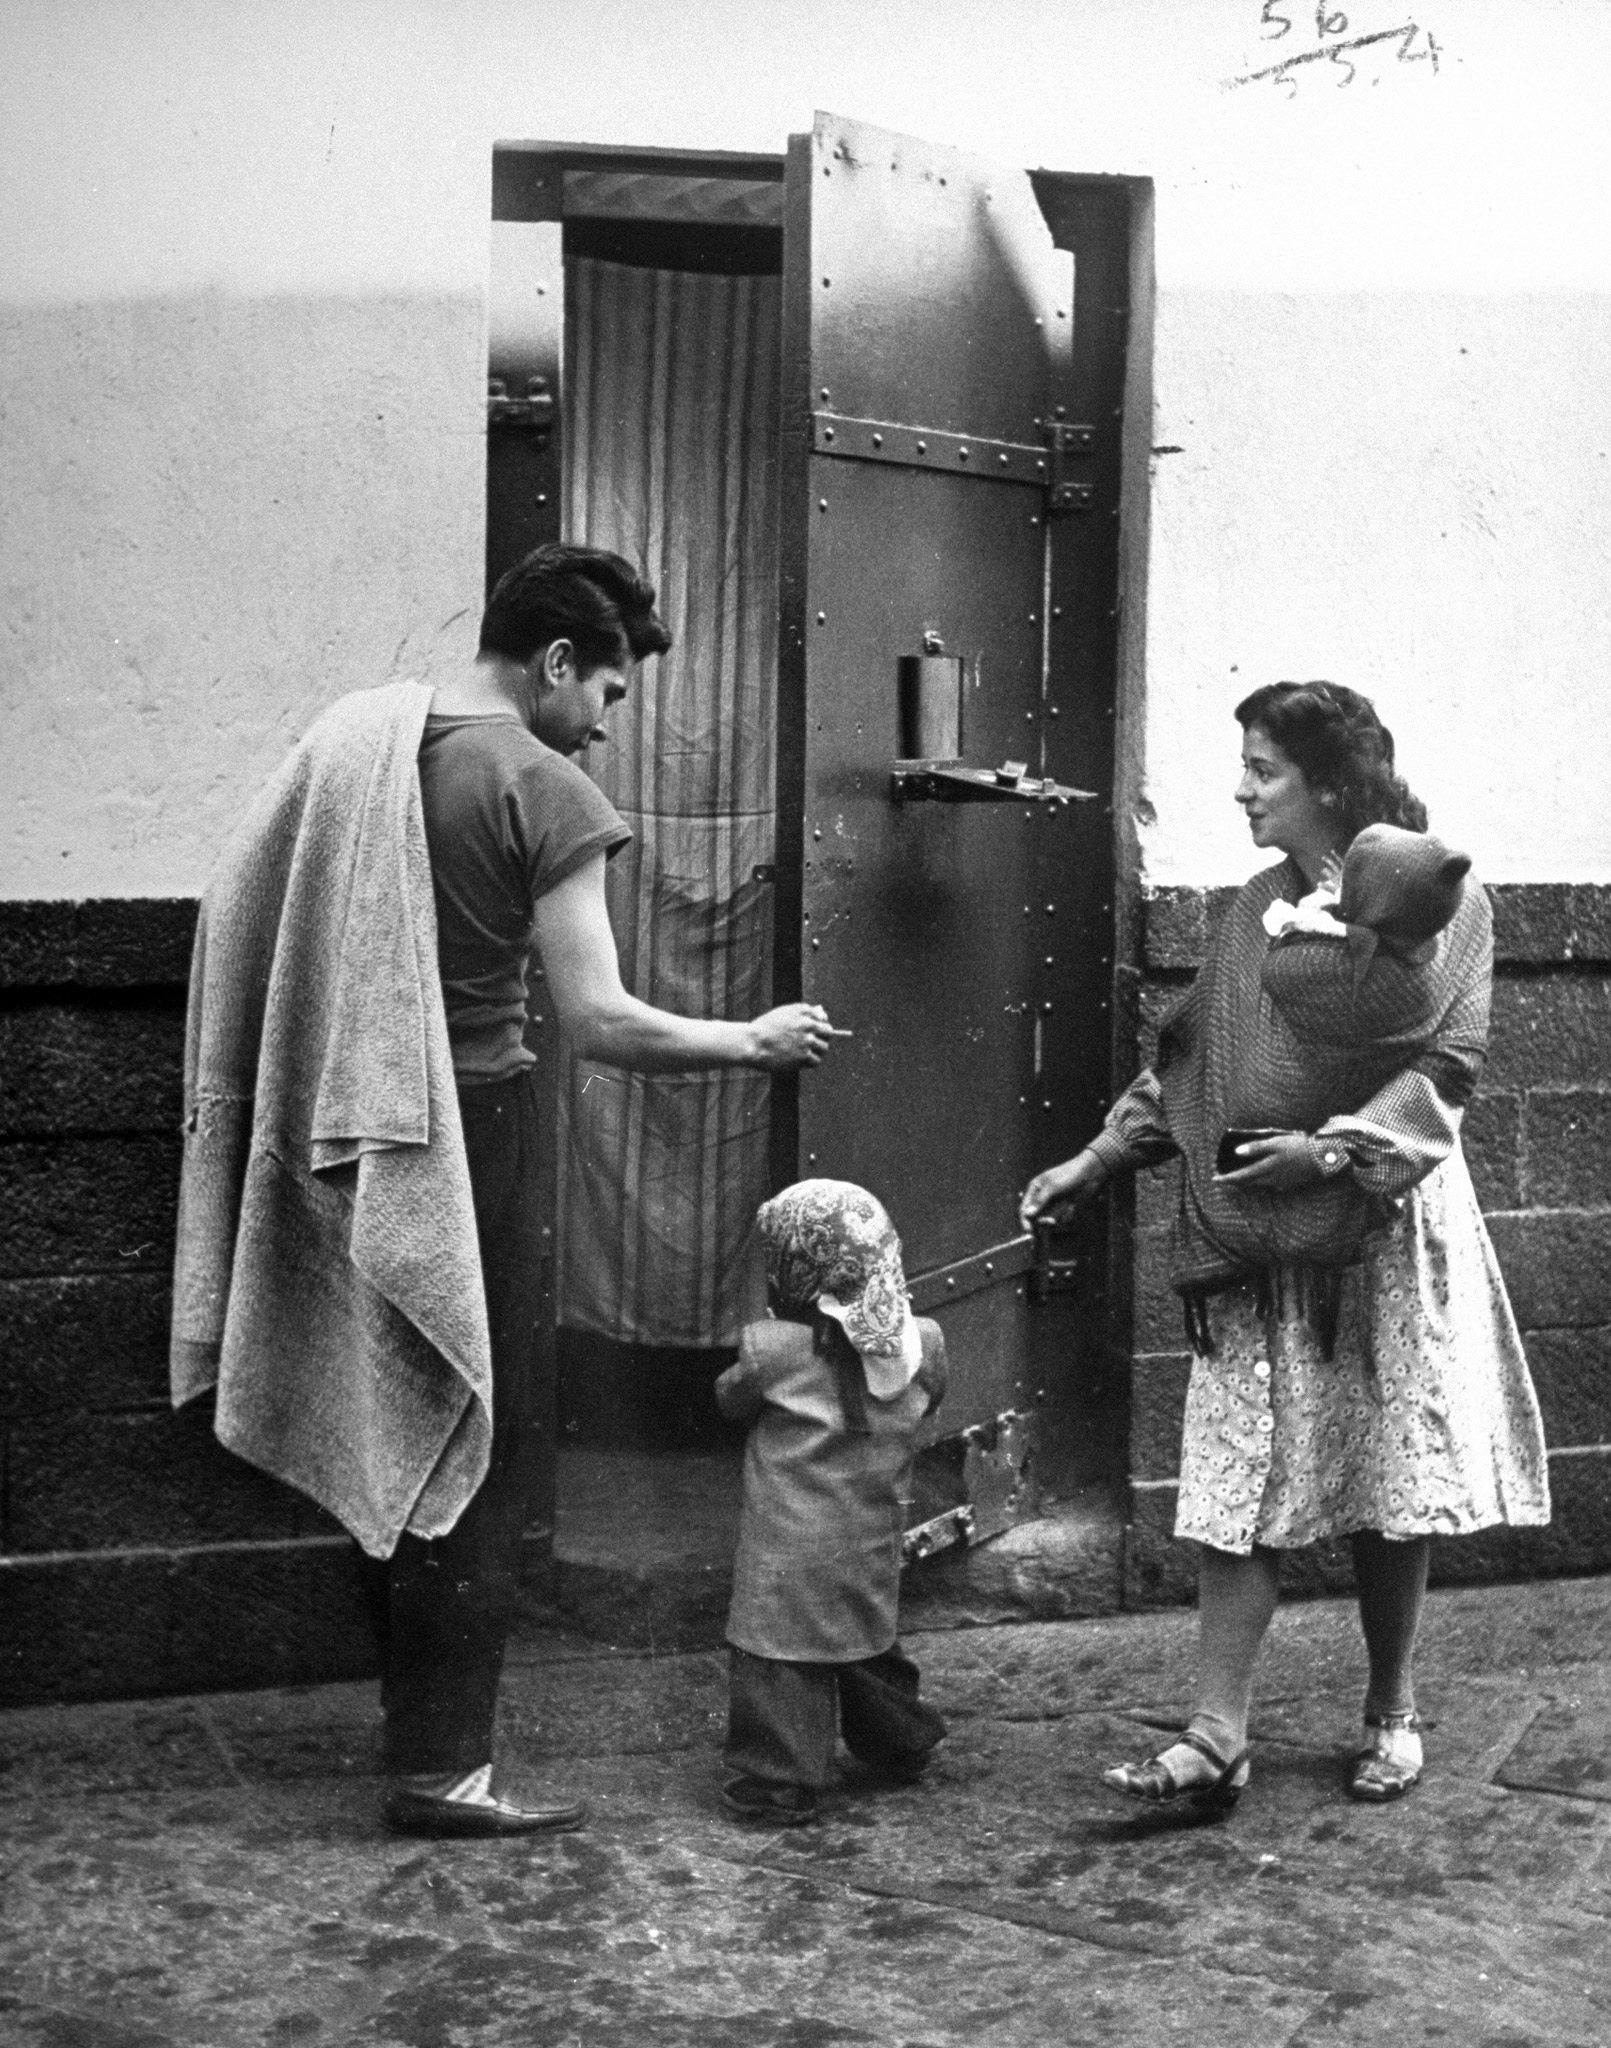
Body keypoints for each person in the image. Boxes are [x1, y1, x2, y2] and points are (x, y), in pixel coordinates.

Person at [172, 543, 839, 1838]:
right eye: (608, 692)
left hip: (345, 1115)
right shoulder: (539, 786)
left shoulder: (365, 742)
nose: (605, 721)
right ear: (553, 665)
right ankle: (443, 1770)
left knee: (389, 1405)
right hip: (467, 1130)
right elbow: (600, 1018)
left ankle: (413, 1731)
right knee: (479, 1431)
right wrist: (749, 1043)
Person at [1020, 681, 1549, 1811]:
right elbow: (1193, 1066)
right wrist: (1097, 1159)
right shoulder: (1251, 907)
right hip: (1255, 1237)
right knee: (1238, 1473)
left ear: (1332, 783)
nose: (1242, 787)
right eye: (1245, 764)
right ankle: (1216, 1733)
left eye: (1264, 768)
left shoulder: (1453, 906)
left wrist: (1332, 1152)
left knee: (1386, 1475)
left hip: (1380, 1229)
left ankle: (1393, 1706)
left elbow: (1451, 1063)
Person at [715, 1179, 949, 1826]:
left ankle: (779, 1779)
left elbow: (729, 1399)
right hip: (869, 1530)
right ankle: (902, 1744)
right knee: (866, 1643)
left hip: (787, 1543)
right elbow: (929, 1394)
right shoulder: (924, 1344)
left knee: (776, 1655)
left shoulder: (772, 1350)